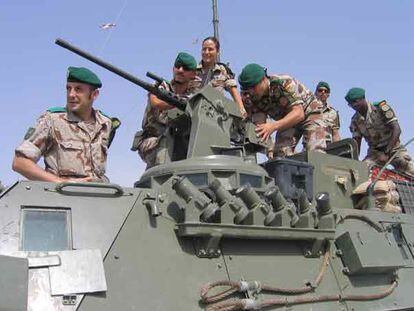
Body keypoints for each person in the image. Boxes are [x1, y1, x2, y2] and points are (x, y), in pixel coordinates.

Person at [12, 66, 120, 183]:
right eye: (68, 88)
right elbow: (20, 162)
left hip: (98, 196)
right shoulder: (52, 120)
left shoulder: (105, 124)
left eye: (78, 89)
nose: (71, 94)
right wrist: (61, 182)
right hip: (61, 197)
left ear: (94, 94)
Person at [238, 63, 328, 158]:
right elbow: (260, 126)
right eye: (247, 89)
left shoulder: (283, 82)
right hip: (287, 119)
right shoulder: (253, 97)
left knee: (316, 153)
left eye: (253, 87)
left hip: (309, 113)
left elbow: (299, 113)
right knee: (280, 154)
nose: (251, 92)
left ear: (263, 80)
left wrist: (273, 126)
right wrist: (268, 147)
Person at [132, 52, 197, 169]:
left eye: (185, 68)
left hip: (179, 142)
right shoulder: (161, 87)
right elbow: (156, 102)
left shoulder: (193, 96)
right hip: (152, 140)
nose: (180, 70)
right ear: (173, 68)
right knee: (165, 144)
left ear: (193, 74)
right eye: (178, 66)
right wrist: (178, 103)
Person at [346, 87, 414, 175]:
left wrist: (386, 152)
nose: (353, 105)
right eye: (350, 104)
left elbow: (397, 129)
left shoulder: (381, 108)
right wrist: (354, 163)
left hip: (393, 148)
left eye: (355, 101)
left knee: (411, 171)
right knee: (362, 173)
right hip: (375, 152)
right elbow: (356, 143)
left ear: (363, 98)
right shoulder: (355, 121)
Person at [193, 36, 247, 119]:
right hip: (194, 112)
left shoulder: (223, 70)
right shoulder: (192, 71)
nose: (207, 52)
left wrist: (242, 110)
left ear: (217, 51)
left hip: (215, 115)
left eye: (210, 49)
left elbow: (233, 90)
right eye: (204, 49)